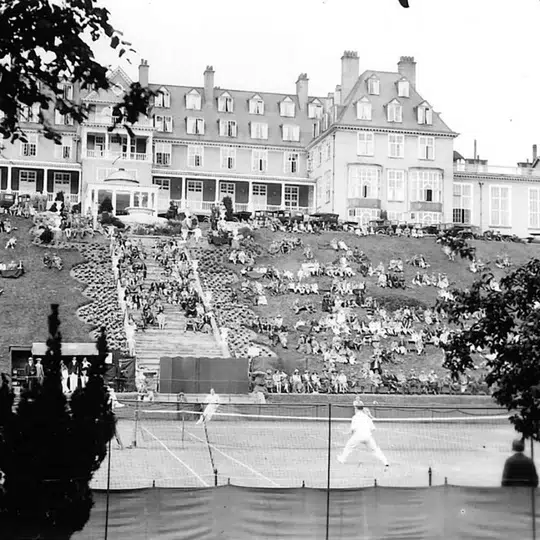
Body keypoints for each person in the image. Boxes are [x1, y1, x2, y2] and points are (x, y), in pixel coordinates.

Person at [337, 398, 389, 468]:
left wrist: (349, 432)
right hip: (368, 437)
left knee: (348, 447)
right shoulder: (367, 417)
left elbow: (352, 429)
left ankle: (342, 459)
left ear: (356, 408)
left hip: (358, 436)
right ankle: (385, 462)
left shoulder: (355, 417)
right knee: (375, 450)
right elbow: (373, 429)